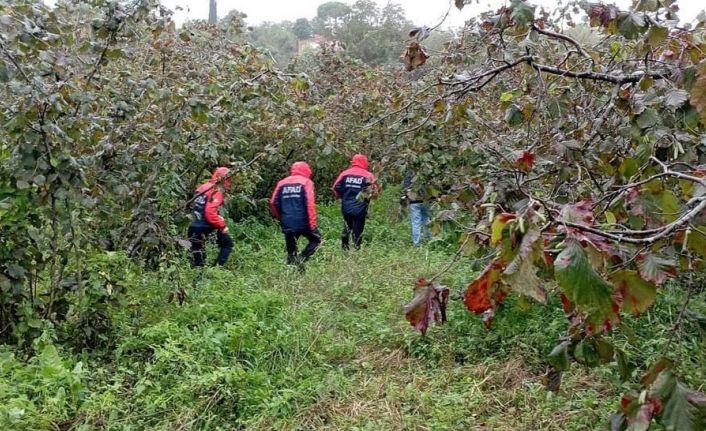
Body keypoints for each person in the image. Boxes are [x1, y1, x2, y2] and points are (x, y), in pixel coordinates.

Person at [270, 161, 321, 269]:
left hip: (287, 221)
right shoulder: (306, 182)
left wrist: (280, 217)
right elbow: (310, 204)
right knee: (316, 240)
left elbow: (273, 202)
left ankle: (291, 271)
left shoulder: (282, 183)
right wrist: (312, 222)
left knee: (291, 250)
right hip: (304, 221)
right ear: (306, 170)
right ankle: (302, 258)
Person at [188, 167, 234, 267]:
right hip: (205, 226)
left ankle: (199, 277)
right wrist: (222, 225)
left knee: (198, 256)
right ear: (223, 179)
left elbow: (194, 205)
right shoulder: (216, 191)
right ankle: (217, 268)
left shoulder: (202, 187)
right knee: (227, 243)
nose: (230, 183)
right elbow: (210, 213)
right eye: (229, 180)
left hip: (193, 225)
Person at [332, 154, 380, 250]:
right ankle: (356, 249)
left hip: (346, 206)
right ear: (365, 162)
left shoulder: (345, 174)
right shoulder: (368, 175)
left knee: (347, 225)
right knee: (358, 230)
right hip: (361, 207)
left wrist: (341, 196)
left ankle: (344, 247)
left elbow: (335, 187)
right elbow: (375, 190)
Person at [401, 172, 431, 246]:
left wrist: (404, 198)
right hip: (425, 200)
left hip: (414, 201)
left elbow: (405, 188)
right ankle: (429, 240)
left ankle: (416, 243)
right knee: (426, 220)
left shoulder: (409, 173)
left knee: (415, 223)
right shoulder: (427, 171)